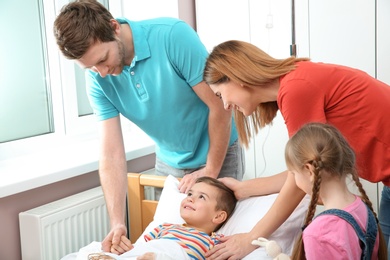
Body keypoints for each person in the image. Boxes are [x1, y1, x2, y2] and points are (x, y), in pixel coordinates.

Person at [53, 0, 244, 254]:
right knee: (168, 234)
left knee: (219, 240)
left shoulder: (173, 37)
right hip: (170, 161)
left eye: (102, 59)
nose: (101, 72)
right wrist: (117, 222)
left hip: (218, 152)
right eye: (90, 67)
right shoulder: (97, 80)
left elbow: (219, 105)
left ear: (113, 27)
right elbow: (111, 154)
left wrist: (210, 169)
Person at [202, 40, 390, 259]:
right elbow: (303, 171)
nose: (224, 105)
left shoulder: (296, 89)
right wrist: (245, 188)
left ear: (235, 77)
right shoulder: (295, 81)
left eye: (219, 94)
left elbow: (302, 177)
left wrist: (250, 238)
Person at [286, 123, 386, 259]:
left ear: (309, 170)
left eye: (293, 174)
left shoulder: (318, 234)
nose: (295, 181)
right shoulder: (362, 207)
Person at [88, 176, 237, 260]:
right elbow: (139, 247)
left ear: (218, 216)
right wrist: (121, 248)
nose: (190, 199)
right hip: (148, 254)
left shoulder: (215, 241)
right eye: (190, 194)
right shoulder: (165, 227)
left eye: (201, 197)